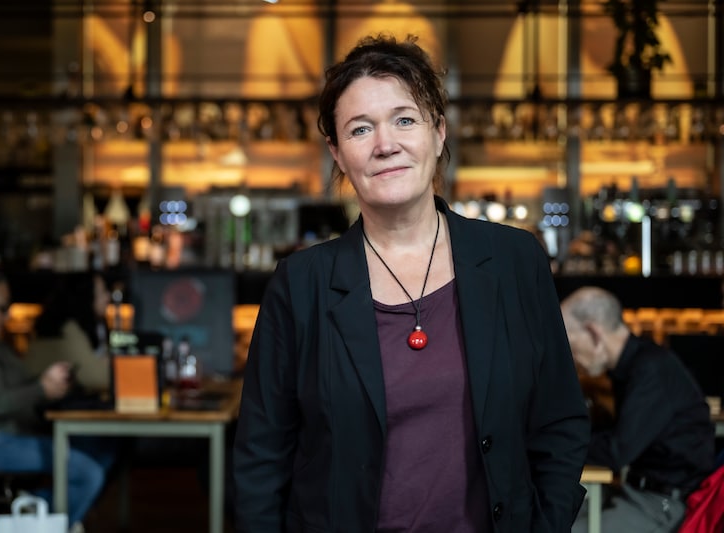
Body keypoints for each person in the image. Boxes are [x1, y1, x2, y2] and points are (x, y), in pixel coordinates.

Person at [233, 34, 590, 532]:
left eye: (405, 120)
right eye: (360, 129)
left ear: (438, 132)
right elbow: (260, 458)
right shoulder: (300, 285)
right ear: (337, 153)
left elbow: (559, 420)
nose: (386, 144)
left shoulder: (514, 261)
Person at [0, 269, 115, 532]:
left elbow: (19, 388)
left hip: (18, 434)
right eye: (1, 308)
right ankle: (31, 515)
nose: (7, 316)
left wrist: (51, 385)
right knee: (88, 473)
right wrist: (42, 388)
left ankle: (37, 513)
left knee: (102, 447)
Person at [561, 286, 715, 533]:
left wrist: (559, 442)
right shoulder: (634, 365)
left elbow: (616, 451)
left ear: (594, 333)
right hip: (635, 492)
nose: (572, 358)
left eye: (570, 344)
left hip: (664, 503)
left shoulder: (651, 369)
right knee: (551, 519)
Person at [26, 273, 112, 393]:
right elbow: (99, 378)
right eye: (102, 292)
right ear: (86, 297)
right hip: (50, 402)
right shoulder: (68, 329)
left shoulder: (89, 326)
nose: (108, 297)